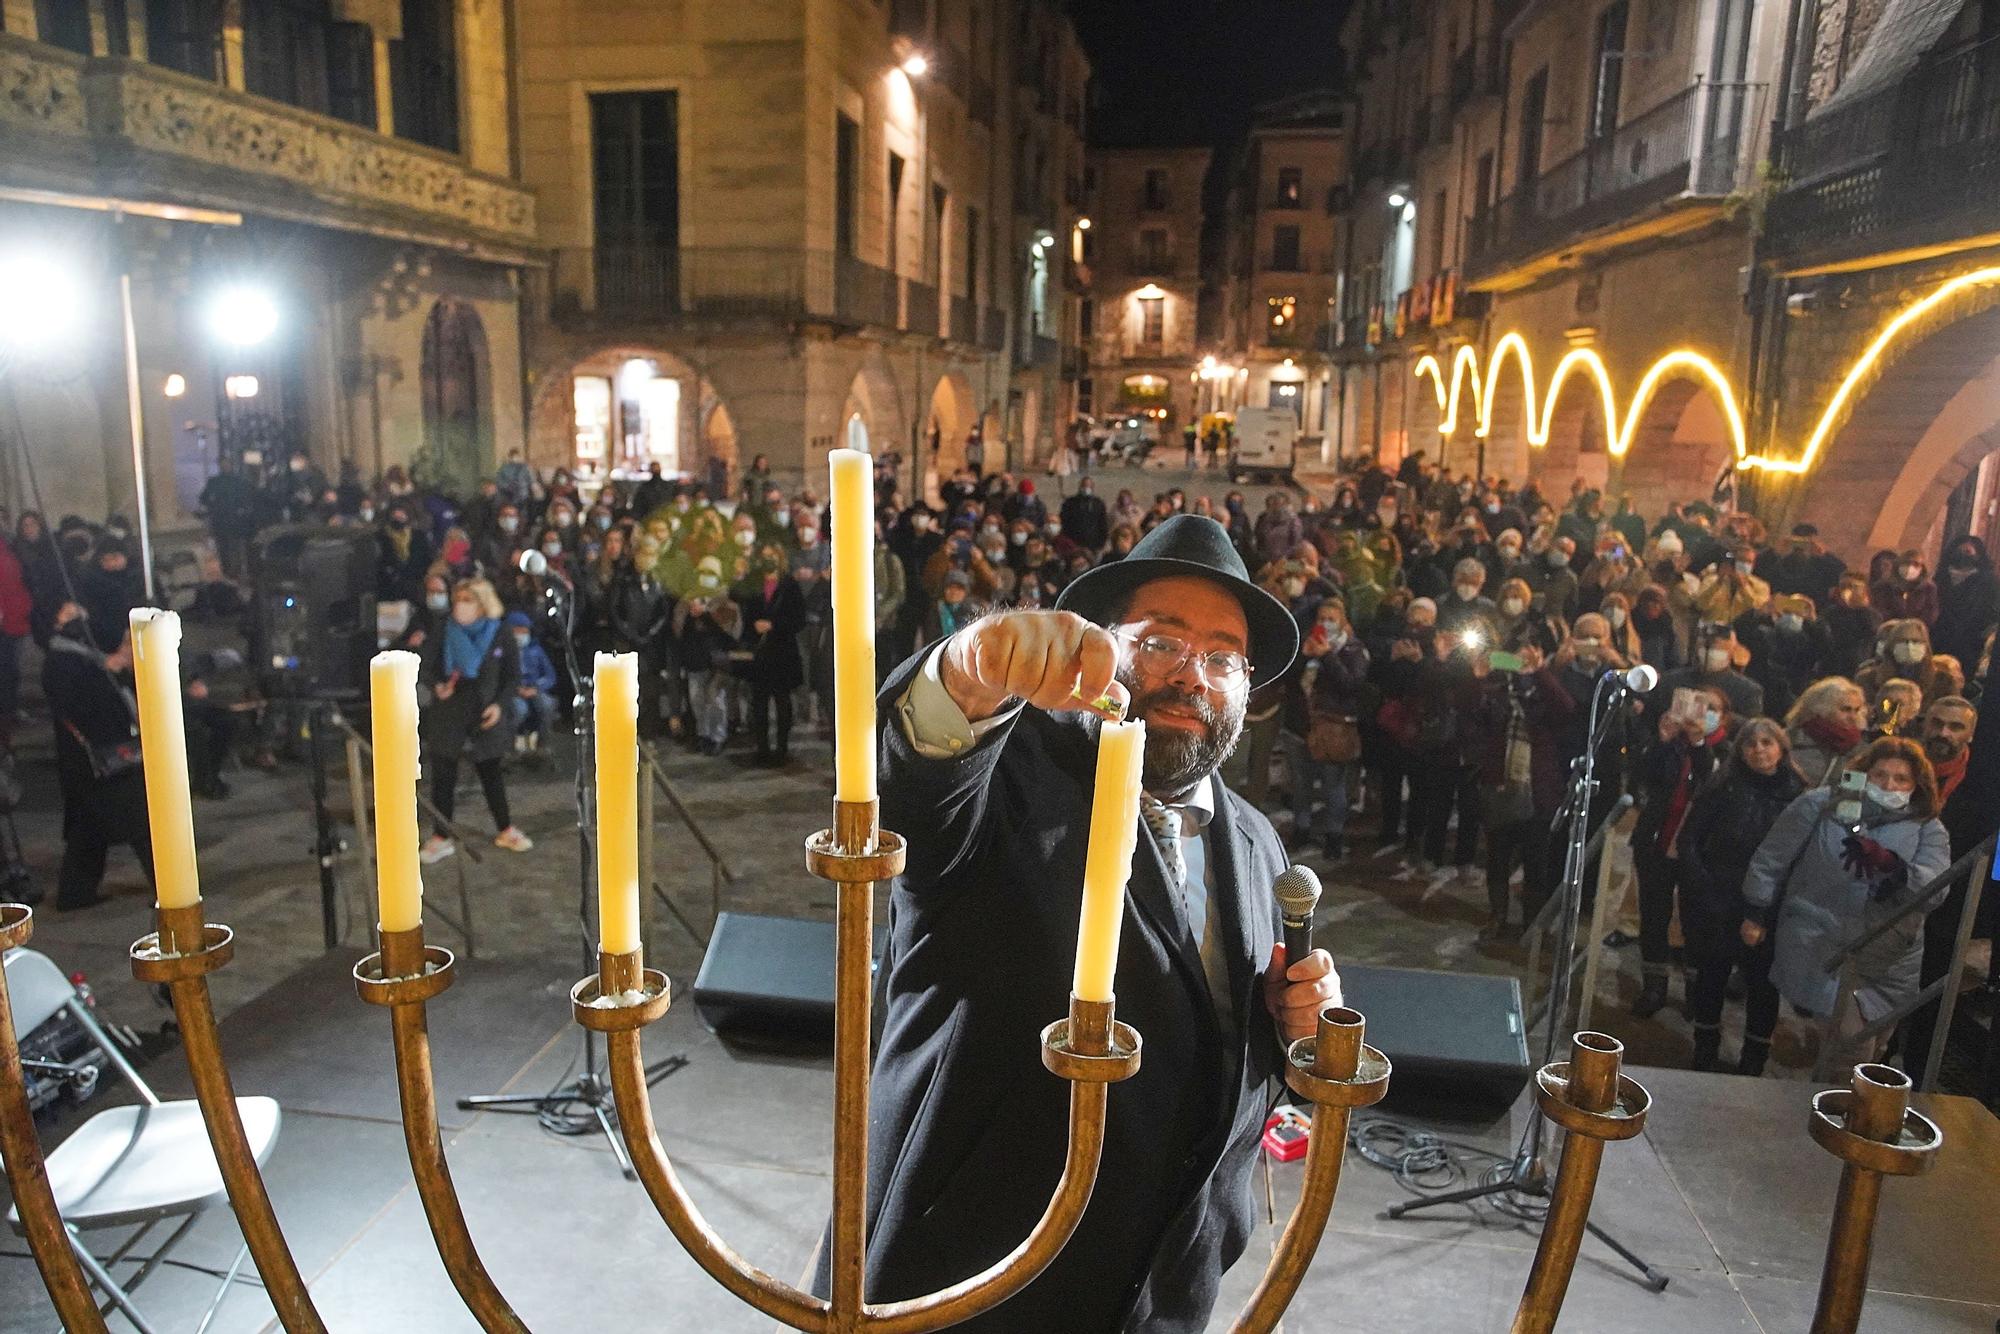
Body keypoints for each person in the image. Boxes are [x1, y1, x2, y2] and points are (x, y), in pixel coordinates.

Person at [841, 515, 1336, 1332]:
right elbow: (911, 795)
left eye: (1222, 658)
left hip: (1157, 1299)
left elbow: (1215, 1058)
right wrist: (967, 672)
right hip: (968, 1288)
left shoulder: (1256, 843)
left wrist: (1289, 1032)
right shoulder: (1010, 773)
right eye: (1162, 643)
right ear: (1103, 647)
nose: (1194, 677)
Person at [1742, 736, 1950, 1065]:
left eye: (1901, 779)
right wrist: (1756, 908)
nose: (1889, 785)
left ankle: (1846, 1105)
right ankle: (1837, 1109)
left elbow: (1936, 890)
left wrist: (1894, 869)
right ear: (1864, 772)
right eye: (1880, 774)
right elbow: (1773, 856)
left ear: (1917, 785)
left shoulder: (1928, 828)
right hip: (1827, 944)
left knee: (1877, 1046)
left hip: (1892, 956)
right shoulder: (1821, 804)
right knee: (1851, 1046)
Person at [1675, 717, 1807, 1073]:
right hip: (1719, 898)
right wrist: (1703, 888)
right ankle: (1705, 1051)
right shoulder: (1723, 788)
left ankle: (1753, 1061)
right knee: (1712, 976)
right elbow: (1689, 841)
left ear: (1781, 748)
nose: (1759, 750)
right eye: (1751, 744)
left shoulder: (1798, 796)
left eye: (1767, 742)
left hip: (1770, 906)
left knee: (1763, 985)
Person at [1629, 684, 1730, 1019]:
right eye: (1697, 705)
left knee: (1693, 922)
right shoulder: (1670, 744)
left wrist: (1700, 742)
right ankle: (1654, 987)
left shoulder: (1728, 750)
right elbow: (1644, 777)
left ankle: (1693, 991)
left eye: (1710, 707)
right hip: (1657, 840)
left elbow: (1708, 782)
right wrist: (1660, 740)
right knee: (1654, 917)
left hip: (1697, 851)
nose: (1701, 713)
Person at [418, 578, 533, 861]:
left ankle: (505, 827)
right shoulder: (444, 628)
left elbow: (512, 676)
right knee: (444, 773)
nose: (460, 605)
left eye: (468, 600)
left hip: (484, 710)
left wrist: (499, 705)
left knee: (490, 770)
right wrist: (436, 686)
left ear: (482, 604)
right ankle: (441, 835)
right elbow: (426, 666)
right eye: (458, 599)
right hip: (450, 708)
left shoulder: (499, 632)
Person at [43, 608, 151, 911]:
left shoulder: (79, 657)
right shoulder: (64, 662)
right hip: (99, 759)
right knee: (141, 823)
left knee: (88, 830)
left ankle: (75, 893)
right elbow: (87, 706)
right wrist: (108, 670)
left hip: (90, 762)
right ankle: (170, 894)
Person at [1282, 597, 1368, 859]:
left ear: (1343, 622)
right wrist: (1304, 656)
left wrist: (1327, 656)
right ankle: (1302, 829)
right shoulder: (1304, 644)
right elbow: (1287, 678)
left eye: (1332, 619)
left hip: (1332, 729)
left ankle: (1334, 836)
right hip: (1300, 726)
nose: (1326, 624)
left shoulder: (1353, 650)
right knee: (1301, 783)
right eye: (1322, 618)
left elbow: (1351, 684)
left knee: (1333, 785)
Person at [735, 545, 805, 765]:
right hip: (760, 654)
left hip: (783, 652)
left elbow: (798, 619)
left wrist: (774, 625)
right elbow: (745, 615)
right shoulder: (753, 586)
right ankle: (762, 749)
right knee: (759, 703)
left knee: (783, 702)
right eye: (765, 557)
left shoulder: (789, 586)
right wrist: (754, 626)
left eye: (772, 557)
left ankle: (782, 748)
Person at [1933, 534, 2000, 671]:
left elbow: (1990, 612)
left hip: (1970, 643)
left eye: (1968, 552)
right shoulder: (1942, 578)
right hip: (1939, 639)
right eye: (1960, 551)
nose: (1963, 555)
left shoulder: (1987, 583)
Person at [1785, 676, 1868, 786]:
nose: (1853, 717)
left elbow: (1854, 792)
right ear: (1822, 708)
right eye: (1845, 709)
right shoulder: (1788, 742)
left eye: (1857, 710)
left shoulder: (1861, 752)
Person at [504, 611, 558, 754]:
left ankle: (541, 744)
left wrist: (536, 688)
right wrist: (515, 689)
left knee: (547, 705)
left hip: (534, 689)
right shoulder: (503, 651)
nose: (522, 634)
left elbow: (550, 675)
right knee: (519, 710)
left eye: (525, 630)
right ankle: (509, 747)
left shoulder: (536, 650)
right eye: (518, 630)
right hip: (512, 692)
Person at [1918, 694, 1977, 805]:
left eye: (1955, 727)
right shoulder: (1899, 761)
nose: (1943, 733)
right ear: (1924, 724)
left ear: (1971, 735)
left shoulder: (1981, 780)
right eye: (1936, 723)